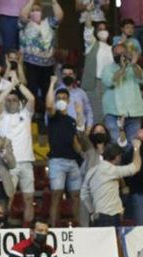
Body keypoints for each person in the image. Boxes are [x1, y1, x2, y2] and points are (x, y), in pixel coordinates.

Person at [0, 74, 36, 225]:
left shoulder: (26, 114)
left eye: (14, 100)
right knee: (9, 197)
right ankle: (3, 225)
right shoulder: (2, 116)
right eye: (9, 100)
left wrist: (18, 85)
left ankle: (27, 228)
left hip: (27, 162)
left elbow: (31, 98)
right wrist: (10, 87)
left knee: (29, 197)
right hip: (9, 163)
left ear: (19, 102)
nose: (11, 102)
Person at [46, 76, 85, 226]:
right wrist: (51, 84)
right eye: (59, 97)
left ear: (68, 101)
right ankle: (54, 228)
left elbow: (76, 141)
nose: (61, 100)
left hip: (72, 162)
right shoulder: (53, 117)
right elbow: (49, 105)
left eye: (64, 97)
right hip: (57, 161)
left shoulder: (71, 120)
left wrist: (81, 153)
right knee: (57, 195)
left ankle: (77, 227)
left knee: (76, 196)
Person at [81, 141, 142, 227]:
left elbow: (83, 195)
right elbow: (136, 166)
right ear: (117, 157)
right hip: (110, 217)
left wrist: (92, 211)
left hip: (97, 217)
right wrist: (136, 148)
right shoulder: (111, 170)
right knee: (112, 240)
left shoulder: (92, 171)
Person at [18, 0, 63, 114]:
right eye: (32, 10)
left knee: (47, 91)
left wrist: (54, 2)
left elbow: (59, 17)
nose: (35, 12)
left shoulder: (48, 22)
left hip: (48, 64)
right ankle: (32, 117)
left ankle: (46, 118)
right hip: (30, 64)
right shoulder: (25, 24)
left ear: (42, 12)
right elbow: (23, 15)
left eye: (37, 10)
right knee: (31, 91)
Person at [102, 43, 143, 145]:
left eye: (123, 53)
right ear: (113, 55)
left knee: (133, 142)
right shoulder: (107, 68)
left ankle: (130, 160)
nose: (121, 56)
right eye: (117, 54)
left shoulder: (134, 67)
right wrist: (122, 68)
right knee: (115, 142)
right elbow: (110, 82)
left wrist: (134, 65)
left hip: (134, 112)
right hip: (114, 112)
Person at [82, 17, 113, 125]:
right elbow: (88, 29)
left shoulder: (112, 48)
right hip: (94, 83)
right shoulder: (92, 44)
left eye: (105, 29)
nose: (103, 32)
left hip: (108, 84)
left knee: (107, 112)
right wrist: (88, 13)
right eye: (100, 29)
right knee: (93, 112)